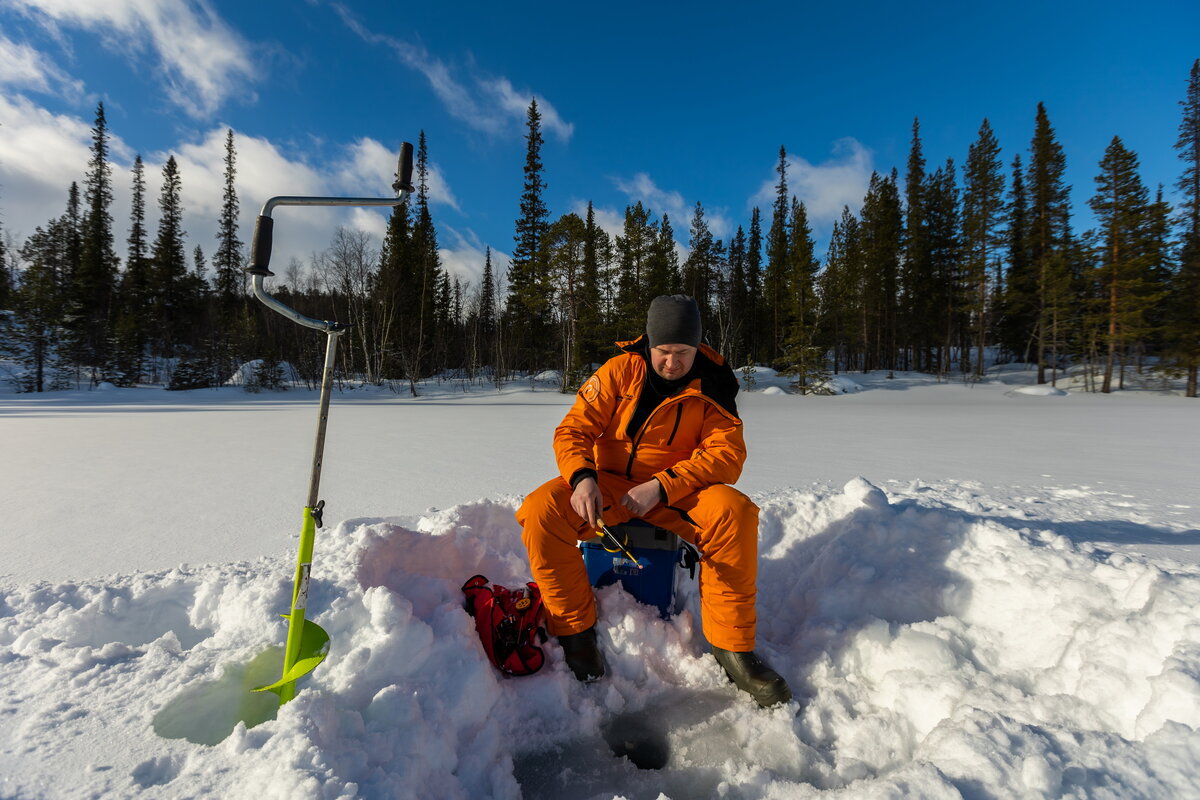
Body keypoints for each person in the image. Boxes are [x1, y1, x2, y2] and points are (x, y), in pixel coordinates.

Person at [516, 295, 791, 708]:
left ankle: (732, 649)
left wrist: (663, 486)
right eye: (663, 352)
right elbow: (573, 430)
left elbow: (726, 455)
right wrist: (582, 477)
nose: (672, 363)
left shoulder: (714, 382)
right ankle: (575, 633)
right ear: (649, 344)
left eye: (683, 353)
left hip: (676, 491)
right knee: (542, 511)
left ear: (697, 347)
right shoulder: (619, 371)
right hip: (607, 485)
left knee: (733, 513)